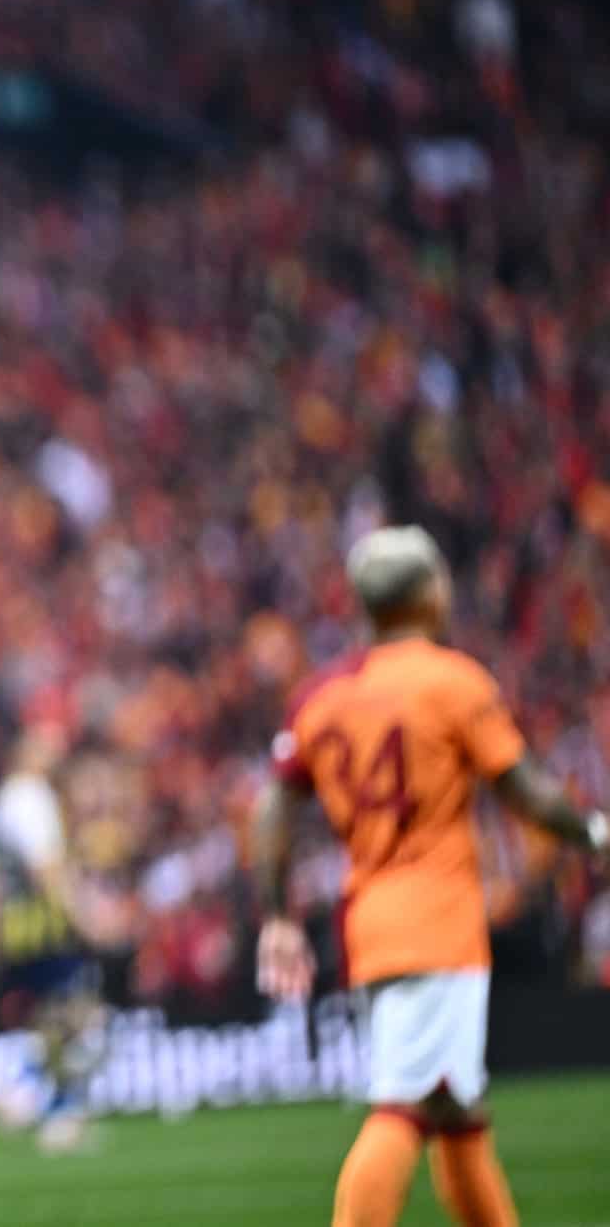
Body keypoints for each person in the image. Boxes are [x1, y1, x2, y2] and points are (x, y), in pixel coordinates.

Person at [252, 525, 610, 1227]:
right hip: (437, 921)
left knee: (456, 1109)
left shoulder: (321, 696)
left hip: (371, 921)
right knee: (405, 1105)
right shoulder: (451, 681)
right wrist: (593, 833)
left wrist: (276, 913)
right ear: (428, 593)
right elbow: (524, 791)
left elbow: (275, 804)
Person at [0, 728, 116, 1151]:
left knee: (55, 1022)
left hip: (19, 923)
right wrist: (84, 917)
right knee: (79, 1014)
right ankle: (40, 1097)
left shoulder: (11, 797)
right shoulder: (29, 797)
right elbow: (46, 868)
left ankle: (43, 1098)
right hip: (39, 924)